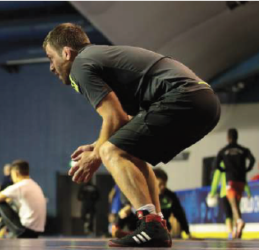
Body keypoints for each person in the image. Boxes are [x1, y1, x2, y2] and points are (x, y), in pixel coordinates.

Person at [43, 23, 220, 247]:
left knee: (111, 151)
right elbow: (124, 121)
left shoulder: (80, 66)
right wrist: (97, 145)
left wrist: (97, 154)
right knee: (130, 152)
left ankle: (150, 224)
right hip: (204, 102)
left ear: (67, 53)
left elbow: (114, 118)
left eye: (50, 58)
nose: (51, 67)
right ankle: (157, 225)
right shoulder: (101, 57)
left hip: (184, 98)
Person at [0, 160, 46, 238]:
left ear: (16, 173)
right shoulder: (35, 185)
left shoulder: (20, 186)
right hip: (36, 232)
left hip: (25, 231)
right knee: (12, 204)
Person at [215, 128, 255, 239]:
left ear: (228, 138)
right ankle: (238, 229)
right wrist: (247, 169)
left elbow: (216, 164)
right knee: (237, 204)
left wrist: (223, 170)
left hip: (230, 180)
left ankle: (239, 221)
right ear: (237, 137)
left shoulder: (223, 151)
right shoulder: (243, 150)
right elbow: (252, 160)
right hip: (241, 180)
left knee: (233, 204)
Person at [207, 161, 251, 239]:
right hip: (237, 190)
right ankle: (236, 228)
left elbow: (216, 178)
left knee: (228, 215)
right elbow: (243, 178)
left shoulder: (222, 164)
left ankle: (231, 233)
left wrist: (212, 192)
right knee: (235, 210)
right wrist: (247, 191)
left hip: (225, 191)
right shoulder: (237, 164)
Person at [153, 168, 191, 238]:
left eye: (165, 184)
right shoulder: (145, 195)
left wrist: (187, 232)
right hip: (147, 230)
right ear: (152, 182)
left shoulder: (170, 196)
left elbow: (180, 214)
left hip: (164, 231)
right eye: (160, 184)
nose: (163, 187)